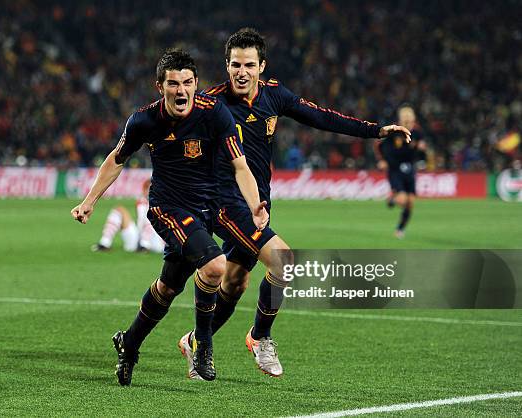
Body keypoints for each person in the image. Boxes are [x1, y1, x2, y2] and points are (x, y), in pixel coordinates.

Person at [178, 28, 411, 378]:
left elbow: (323, 117)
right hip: (225, 205)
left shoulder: (275, 96)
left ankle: (196, 340)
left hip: (258, 204)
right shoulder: (211, 105)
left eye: (249, 65)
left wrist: (376, 130)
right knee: (283, 261)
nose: (242, 71)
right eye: (235, 64)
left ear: (262, 66)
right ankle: (260, 337)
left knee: (235, 282)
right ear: (226, 66)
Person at [71, 49, 268, 385]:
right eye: (173, 83)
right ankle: (202, 344)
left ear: (195, 84)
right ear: (159, 85)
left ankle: (129, 343)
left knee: (167, 287)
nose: (181, 91)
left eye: (188, 83)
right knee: (216, 266)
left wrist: (254, 204)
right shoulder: (144, 120)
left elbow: (239, 165)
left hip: (206, 210)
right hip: (167, 208)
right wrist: (90, 200)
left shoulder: (215, 113)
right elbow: (117, 160)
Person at [374, 105, 426, 239]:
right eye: (405, 118)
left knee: (410, 203)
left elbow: (420, 150)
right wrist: (383, 160)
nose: (408, 121)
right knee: (403, 200)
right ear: (401, 119)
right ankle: (393, 198)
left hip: (409, 169)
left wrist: (421, 152)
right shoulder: (395, 131)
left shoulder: (418, 133)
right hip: (395, 168)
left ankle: (400, 228)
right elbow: (379, 145)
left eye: (410, 118)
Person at [91, 180, 165, 254]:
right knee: (119, 210)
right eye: (147, 188)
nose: (149, 191)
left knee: (150, 214)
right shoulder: (142, 202)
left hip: (158, 241)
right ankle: (105, 243)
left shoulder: (164, 202)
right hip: (139, 237)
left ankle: (144, 246)